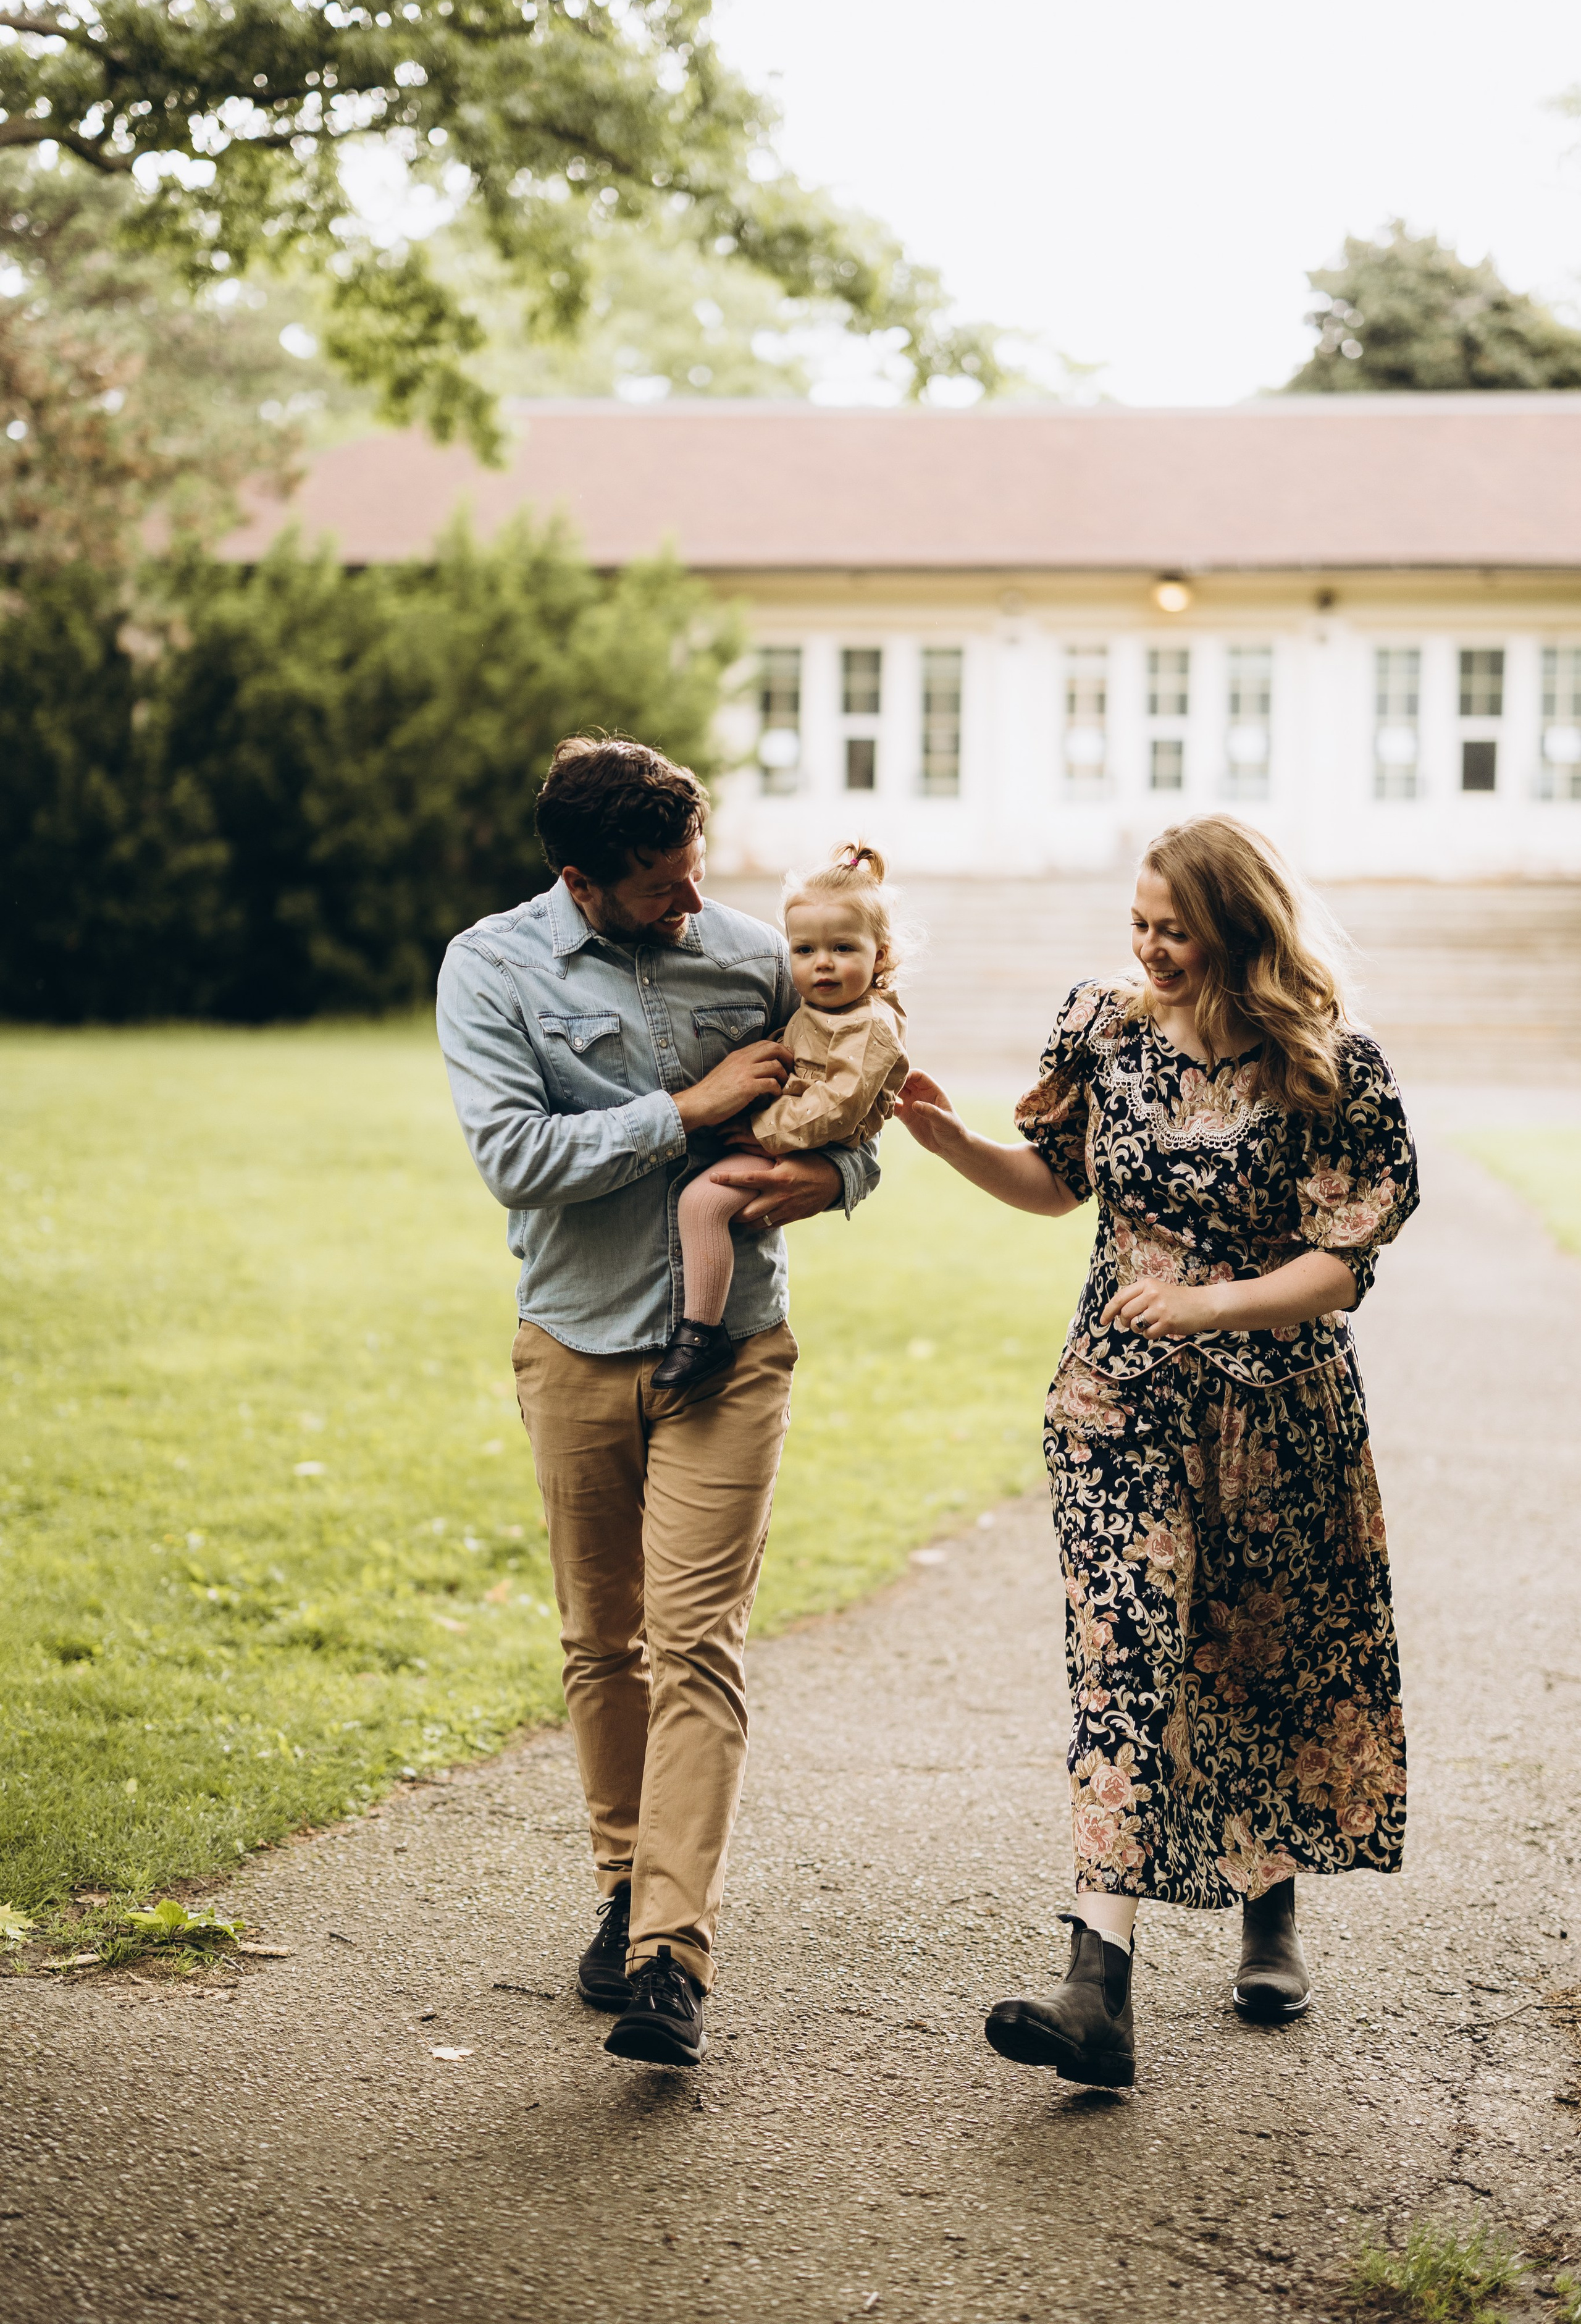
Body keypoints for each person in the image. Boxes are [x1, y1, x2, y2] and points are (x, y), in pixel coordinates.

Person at [895, 813, 1418, 2090]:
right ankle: (1097, 1989)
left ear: (1236, 931)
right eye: (1137, 924)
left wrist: (1209, 1302)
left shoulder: (1324, 1065)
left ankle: (1270, 1909)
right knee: (1120, 1663)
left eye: (1172, 931)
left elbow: (1337, 1270)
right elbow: (1055, 1180)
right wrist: (955, 1144)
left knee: (1250, 1656)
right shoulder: (1104, 1031)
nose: (1147, 950)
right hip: (1115, 1404)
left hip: (1269, 1412)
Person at [436, 736, 880, 2068]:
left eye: (695, 870)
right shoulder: (491, 969)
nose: (691, 902)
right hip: (571, 1344)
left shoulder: (753, 955)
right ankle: (623, 1884)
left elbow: (850, 1116)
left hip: (731, 1347)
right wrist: (683, 1109)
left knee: (695, 1645)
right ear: (582, 877)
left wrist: (836, 1182)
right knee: (601, 1644)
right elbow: (515, 1158)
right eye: (661, 887)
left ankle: (669, 1958)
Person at [654, 841, 909, 1393]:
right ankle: (698, 1326)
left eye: (843, 948)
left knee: (701, 1203)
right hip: (785, 1134)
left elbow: (839, 1106)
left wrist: (759, 1130)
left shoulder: (870, 1026)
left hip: (800, 1144)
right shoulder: (823, 1010)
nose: (822, 963)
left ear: (881, 955)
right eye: (804, 950)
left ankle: (703, 1333)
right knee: (702, 1199)